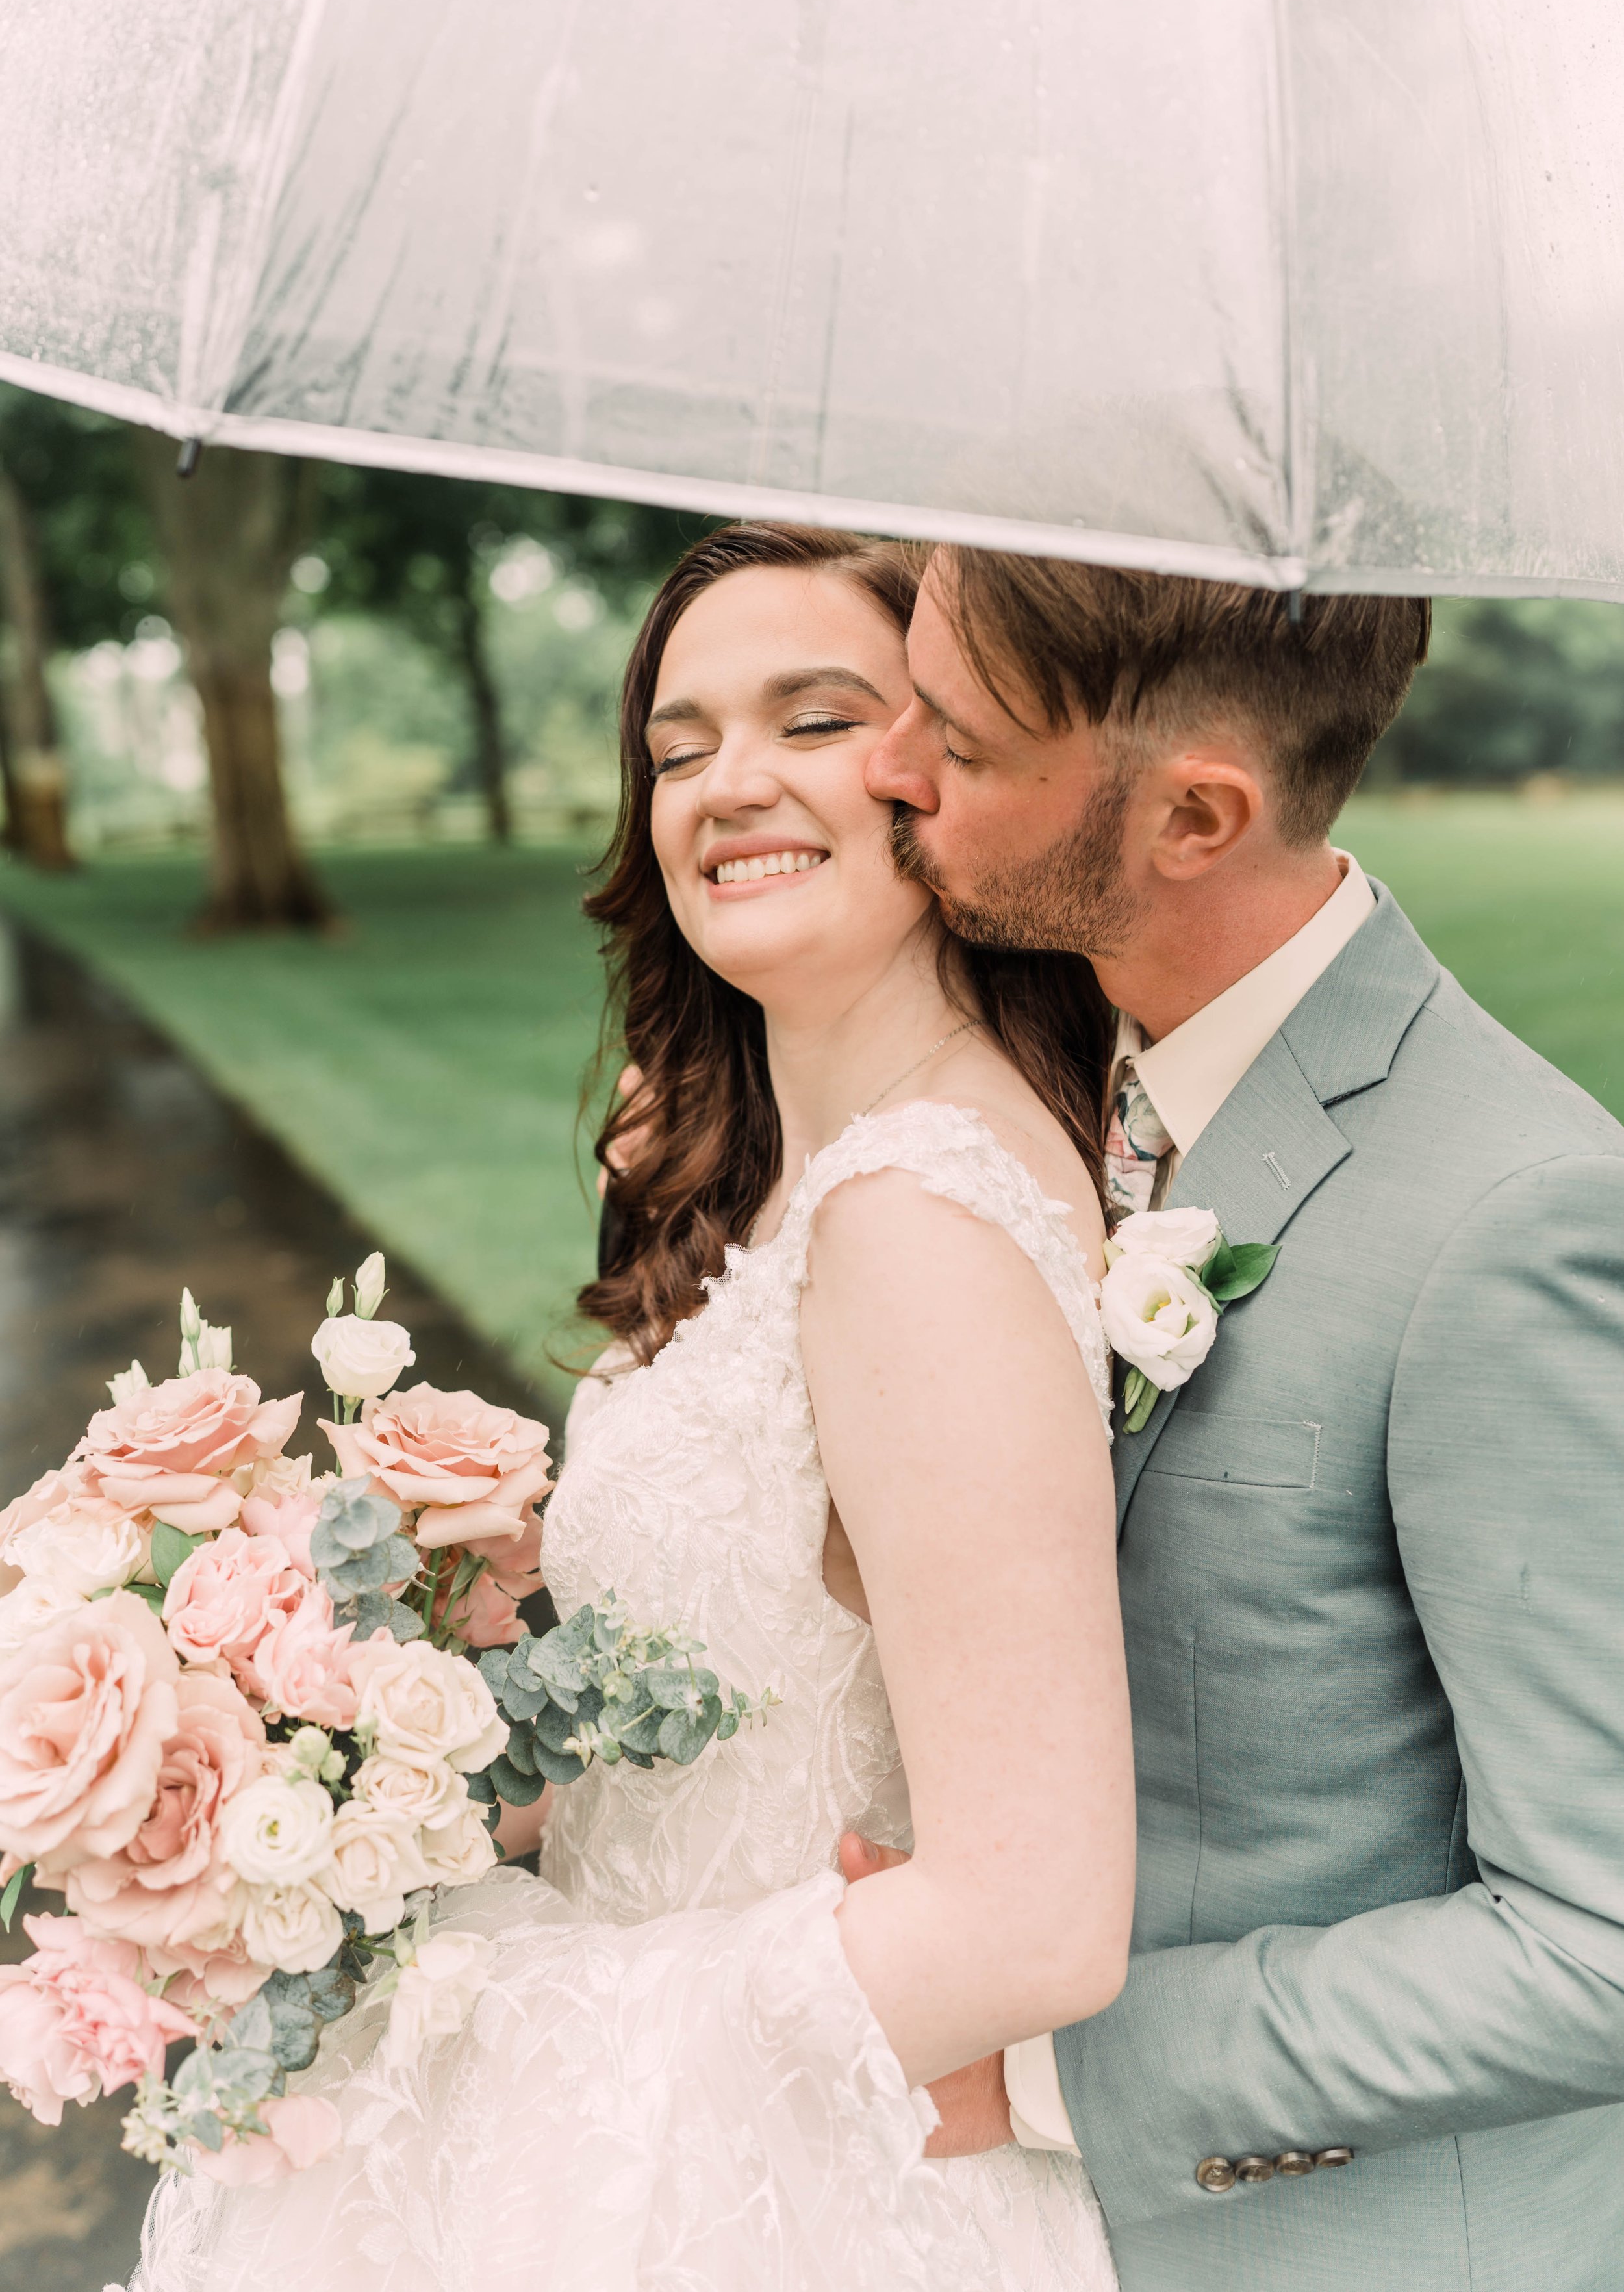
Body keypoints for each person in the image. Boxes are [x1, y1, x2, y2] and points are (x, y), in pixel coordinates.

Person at [131, 525, 1134, 2292]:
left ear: (946, 772)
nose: (726, 784)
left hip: (782, 2192)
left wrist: (485, 2020)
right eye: (676, 749)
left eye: (813, 722)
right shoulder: (778, 1176)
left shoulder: (917, 1220)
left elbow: (1036, 1918)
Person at [845, 546, 1624, 2291]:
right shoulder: (1077, 1084)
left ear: (1190, 820)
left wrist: (1043, 2064)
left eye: (955, 744)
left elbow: (1603, 1943)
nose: (886, 765)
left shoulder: (1510, 1220)